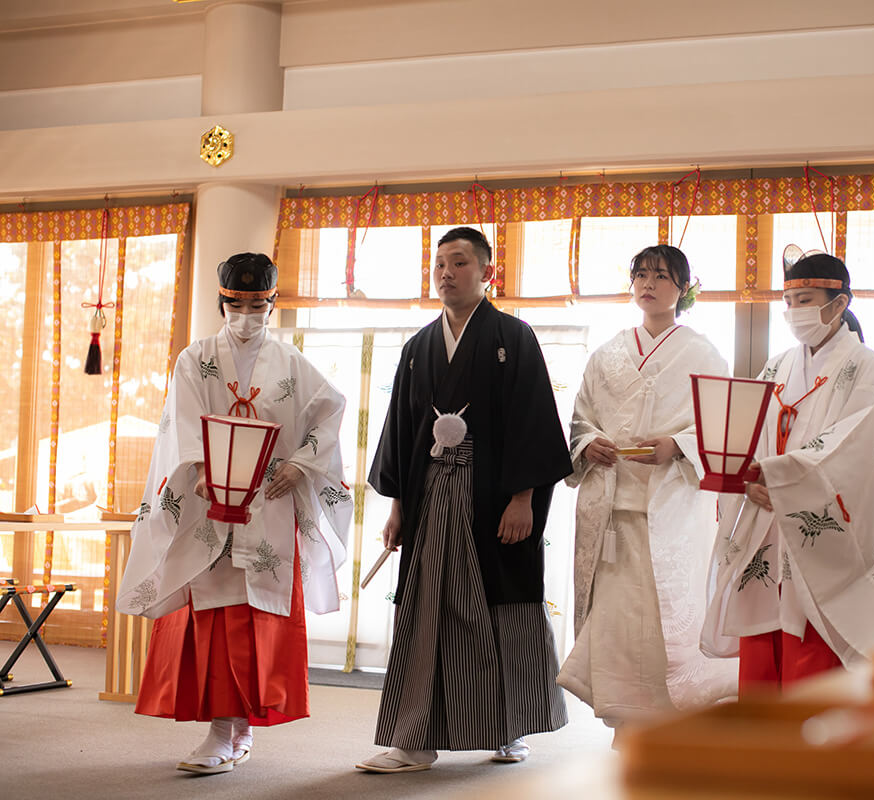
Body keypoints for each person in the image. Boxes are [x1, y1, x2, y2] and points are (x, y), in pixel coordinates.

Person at [117, 252, 351, 773]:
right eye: (236, 303)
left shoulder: (292, 363)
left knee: (254, 616)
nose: (246, 312)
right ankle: (221, 729)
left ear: (272, 303)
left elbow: (329, 408)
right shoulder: (195, 357)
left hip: (266, 504)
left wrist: (302, 463)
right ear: (221, 301)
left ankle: (237, 729)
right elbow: (180, 421)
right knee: (214, 612)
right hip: (209, 504)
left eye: (257, 303)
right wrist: (200, 467)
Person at [357, 226, 572, 774]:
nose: (447, 273)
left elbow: (533, 422)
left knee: (504, 608)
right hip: (431, 497)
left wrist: (524, 498)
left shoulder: (513, 337)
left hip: (495, 497)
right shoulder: (417, 348)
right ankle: (414, 739)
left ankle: (510, 726)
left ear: (486, 272)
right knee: (426, 609)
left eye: (459, 263)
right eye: (440, 264)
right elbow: (403, 432)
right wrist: (399, 506)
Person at [700, 250, 874, 693]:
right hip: (767, 516)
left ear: (838, 304)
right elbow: (751, 426)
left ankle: (814, 750)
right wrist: (747, 476)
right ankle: (760, 750)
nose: (795, 310)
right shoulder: (778, 365)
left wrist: (777, 478)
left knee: (813, 633)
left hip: (823, 521)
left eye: (806, 299)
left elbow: (852, 443)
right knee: (765, 622)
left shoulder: (866, 367)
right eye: (789, 299)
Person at [558, 245, 737, 733]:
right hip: (614, 507)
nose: (648, 284)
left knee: (666, 620)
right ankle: (624, 725)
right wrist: (590, 442)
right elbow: (581, 419)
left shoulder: (703, 353)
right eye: (640, 275)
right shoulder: (607, 353)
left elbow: (723, 427)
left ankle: (672, 723)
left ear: (684, 289)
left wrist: (679, 445)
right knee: (616, 622)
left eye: (661, 276)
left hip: (672, 506)